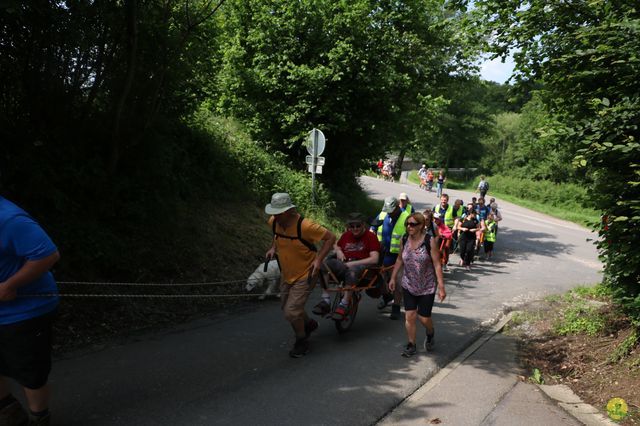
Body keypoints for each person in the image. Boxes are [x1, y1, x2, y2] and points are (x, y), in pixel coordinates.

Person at [0, 195, 61, 426]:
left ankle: (40, 418)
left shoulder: (9, 219)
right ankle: (9, 412)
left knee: (30, 372)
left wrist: (9, 285)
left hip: (25, 311)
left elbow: (48, 255)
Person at [265, 193, 336, 358]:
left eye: (278, 212)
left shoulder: (305, 226)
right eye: (274, 212)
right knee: (287, 307)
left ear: (289, 211)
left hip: (306, 274)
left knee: (291, 312)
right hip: (287, 272)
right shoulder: (274, 222)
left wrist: (319, 260)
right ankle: (309, 324)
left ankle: (302, 340)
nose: (275, 216)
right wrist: (273, 248)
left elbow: (330, 238)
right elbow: (276, 236)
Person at [388, 212, 446, 357]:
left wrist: (441, 286)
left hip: (426, 285)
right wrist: (393, 278)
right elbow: (400, 259)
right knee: (410, 316)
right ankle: (411, 344)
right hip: (408, 284)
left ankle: (430, 332)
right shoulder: (405, 238)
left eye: (413, 224)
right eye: (407, 224)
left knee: (424, 317)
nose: (409, 227)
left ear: (421, 226)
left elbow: (437, 264)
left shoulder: (429, 240)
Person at [313, 213, 380, 320]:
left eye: (358, 226)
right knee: (323, 264)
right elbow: (336, 245)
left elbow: (374, 259)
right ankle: (325, 300)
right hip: (344, 263)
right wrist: (339, 251)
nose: (355, 229)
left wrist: (351, 264)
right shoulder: (346, 235)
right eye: (351, 226)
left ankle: (344, 303)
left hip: (360, 265)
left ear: (363, 225)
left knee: (352, 271)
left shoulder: (371, 237)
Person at [371, 196, 410, 320]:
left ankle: (396, 307)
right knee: (381, 279)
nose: (389, 212)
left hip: (399, 256)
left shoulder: (406, 218)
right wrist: (372, 233)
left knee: (398, 282)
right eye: (387, 210)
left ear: (398, 206)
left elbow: (413, 236)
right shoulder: (383, 214)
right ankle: (387, 296)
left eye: (391, 210)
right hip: (383, 254)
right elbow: (373, 227)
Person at [457, 205, 480, 270]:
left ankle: (468, 264)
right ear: (471, 214)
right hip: (463, 237)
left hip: (471, 238)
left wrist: (474, 230)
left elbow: (478, 228)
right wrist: (462, 228)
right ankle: (462, 259)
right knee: (462, 251)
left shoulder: (475, 220)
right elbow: (458, 227)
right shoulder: (463, 219)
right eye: (474, 214)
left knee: (469, 250)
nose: (475, 216)